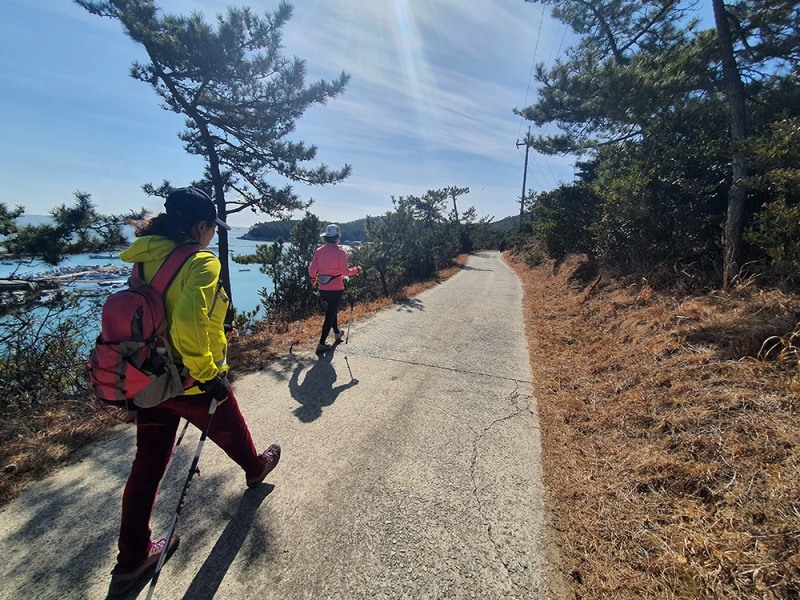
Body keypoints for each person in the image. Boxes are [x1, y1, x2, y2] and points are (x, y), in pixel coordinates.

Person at [108, 187, 281, 596]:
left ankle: (131, 558)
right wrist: (207, 374)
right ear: (201, 226)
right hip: (188, 380)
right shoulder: (200, 260)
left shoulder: (144, 256)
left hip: (148, 379)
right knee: (231, 429)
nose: (211, 235)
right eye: (211, 228)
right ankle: (255, 468)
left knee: (147, 467)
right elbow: (188, 320)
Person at [308, 223, 363, 354]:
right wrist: (357, 270)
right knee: (330, 314)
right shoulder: (340, 252)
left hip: (323, 288)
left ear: (326, 237)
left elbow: (312, 270)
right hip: (336, 288)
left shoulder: (319, 251)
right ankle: (321, 344)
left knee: (332, 311)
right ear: (337, 238)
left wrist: (313, 280)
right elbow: (345, 272)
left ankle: (337, 333)